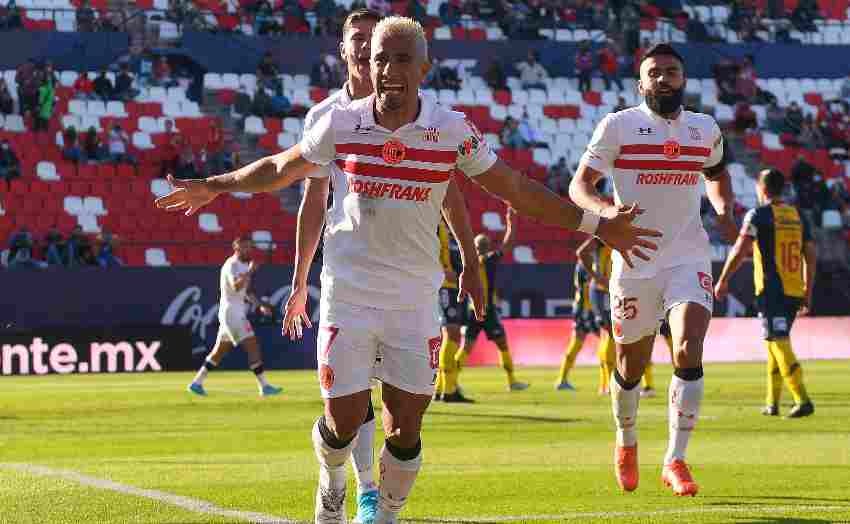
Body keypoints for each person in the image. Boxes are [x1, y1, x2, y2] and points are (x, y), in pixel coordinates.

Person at [156, 16, 661, 522]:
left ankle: (386, 516)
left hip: (415, 301)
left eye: (402, 59)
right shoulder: (340, 123)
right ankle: (333, 475)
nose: (389, 70)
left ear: (424, 67)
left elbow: (515, 188)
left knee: (406, 428)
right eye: (380, 59)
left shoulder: (450, 131)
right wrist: (213, 184)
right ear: (366, 64)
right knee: (344, 423)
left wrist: (595, 225)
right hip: (347, 295)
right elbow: (279, 168)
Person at [282, 10, 481, 521]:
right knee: (348, 407)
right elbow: (313, 200)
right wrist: (300, 280)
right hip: (350, 278)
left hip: (409, 279)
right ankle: (343, 483)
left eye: (384, 44)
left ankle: (373, 494)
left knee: (398, 410)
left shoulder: (430, 121)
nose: (372, 51)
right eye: (361, 42)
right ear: (346, 51)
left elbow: (450, 189)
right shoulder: (328, 117)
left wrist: (468, 254)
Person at [569, 43, 737, 497]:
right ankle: (626, 441)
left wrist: (722, 204)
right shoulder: (619, 126)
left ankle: (675, 459)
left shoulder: (704, 129)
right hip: (634, 260)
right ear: (640, 83)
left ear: (684, 79)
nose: (664, 78)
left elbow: (717, 172)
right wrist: (606, 214)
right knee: (630, 366)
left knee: (688, 343)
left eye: (672, 71)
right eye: (654, 73)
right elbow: (579, 186)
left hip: (688, 256)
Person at [714, 169, 816, 419]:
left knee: (778, 342)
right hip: (793, 290)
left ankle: (802, 398)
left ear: (762, 189)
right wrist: (807, 290)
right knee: (772, 342)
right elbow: (810, 256)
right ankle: (772, 402)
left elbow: (740, 249)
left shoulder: (758, 215)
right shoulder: (798, 215)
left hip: (772, 290)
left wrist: (723, 278)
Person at [187, 236, 283, 397]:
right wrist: (250, 271)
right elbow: (236, 286)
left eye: (250, 247)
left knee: (219, 351)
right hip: (232, 313)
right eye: (245, 247)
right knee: (253, 346)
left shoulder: (241, 266)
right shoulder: (231, 265)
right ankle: (264, 386)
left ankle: (196, 383)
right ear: (236, 248)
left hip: (232, 313)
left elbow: (246, 293)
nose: (248, 250)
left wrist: (260, 306)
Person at [453, 208, 529, 395]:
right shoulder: (488, 260)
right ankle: (512, 381)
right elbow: (508, 245)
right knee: (502, 345)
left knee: (466, 348)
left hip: (472, 310)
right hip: (487, 310)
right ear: (485, 247)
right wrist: (511, 223)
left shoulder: (468, 263)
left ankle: (450, 382)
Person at [577, 234, 616, 396]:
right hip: (602, 292)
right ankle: (608, 383)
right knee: (609, 332)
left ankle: (605, 384)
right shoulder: (602, 235)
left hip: (617, 291)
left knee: (610, 335)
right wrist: (596, 276)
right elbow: (581, 252)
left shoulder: (623, 235)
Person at [554, 263, 598, 391]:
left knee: (576, 344)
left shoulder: (582, 264)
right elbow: (588, 286)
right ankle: (606, 384)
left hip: (583, 308)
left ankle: (562, 379)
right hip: (589, 309)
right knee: (609, 343)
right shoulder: (588, 265)